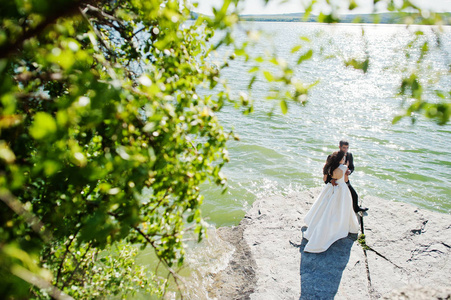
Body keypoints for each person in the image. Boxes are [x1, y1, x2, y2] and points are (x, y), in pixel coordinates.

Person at [304, 151, 360, 253]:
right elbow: (346, 180)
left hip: (332, 189)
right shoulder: (343, 168)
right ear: (340, 159)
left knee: (326, 208)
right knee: (342, 208)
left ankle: (317, 226)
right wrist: (346, 169)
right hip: (342, 190)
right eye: (343, 158)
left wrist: (334, 179)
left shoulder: (331, 168)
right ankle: (339, 227)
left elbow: (332, 179)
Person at [323, 140, 368, 213]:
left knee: (354, 195)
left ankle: (356, 208)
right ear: (339, 147)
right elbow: (326, 169)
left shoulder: (349, 155)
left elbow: (352, 167)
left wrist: (349, 171)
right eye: (344, 148)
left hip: (344, 180)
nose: (346, 150)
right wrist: (331, 180)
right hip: (333, 180)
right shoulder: (333, 156)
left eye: (347, 148)